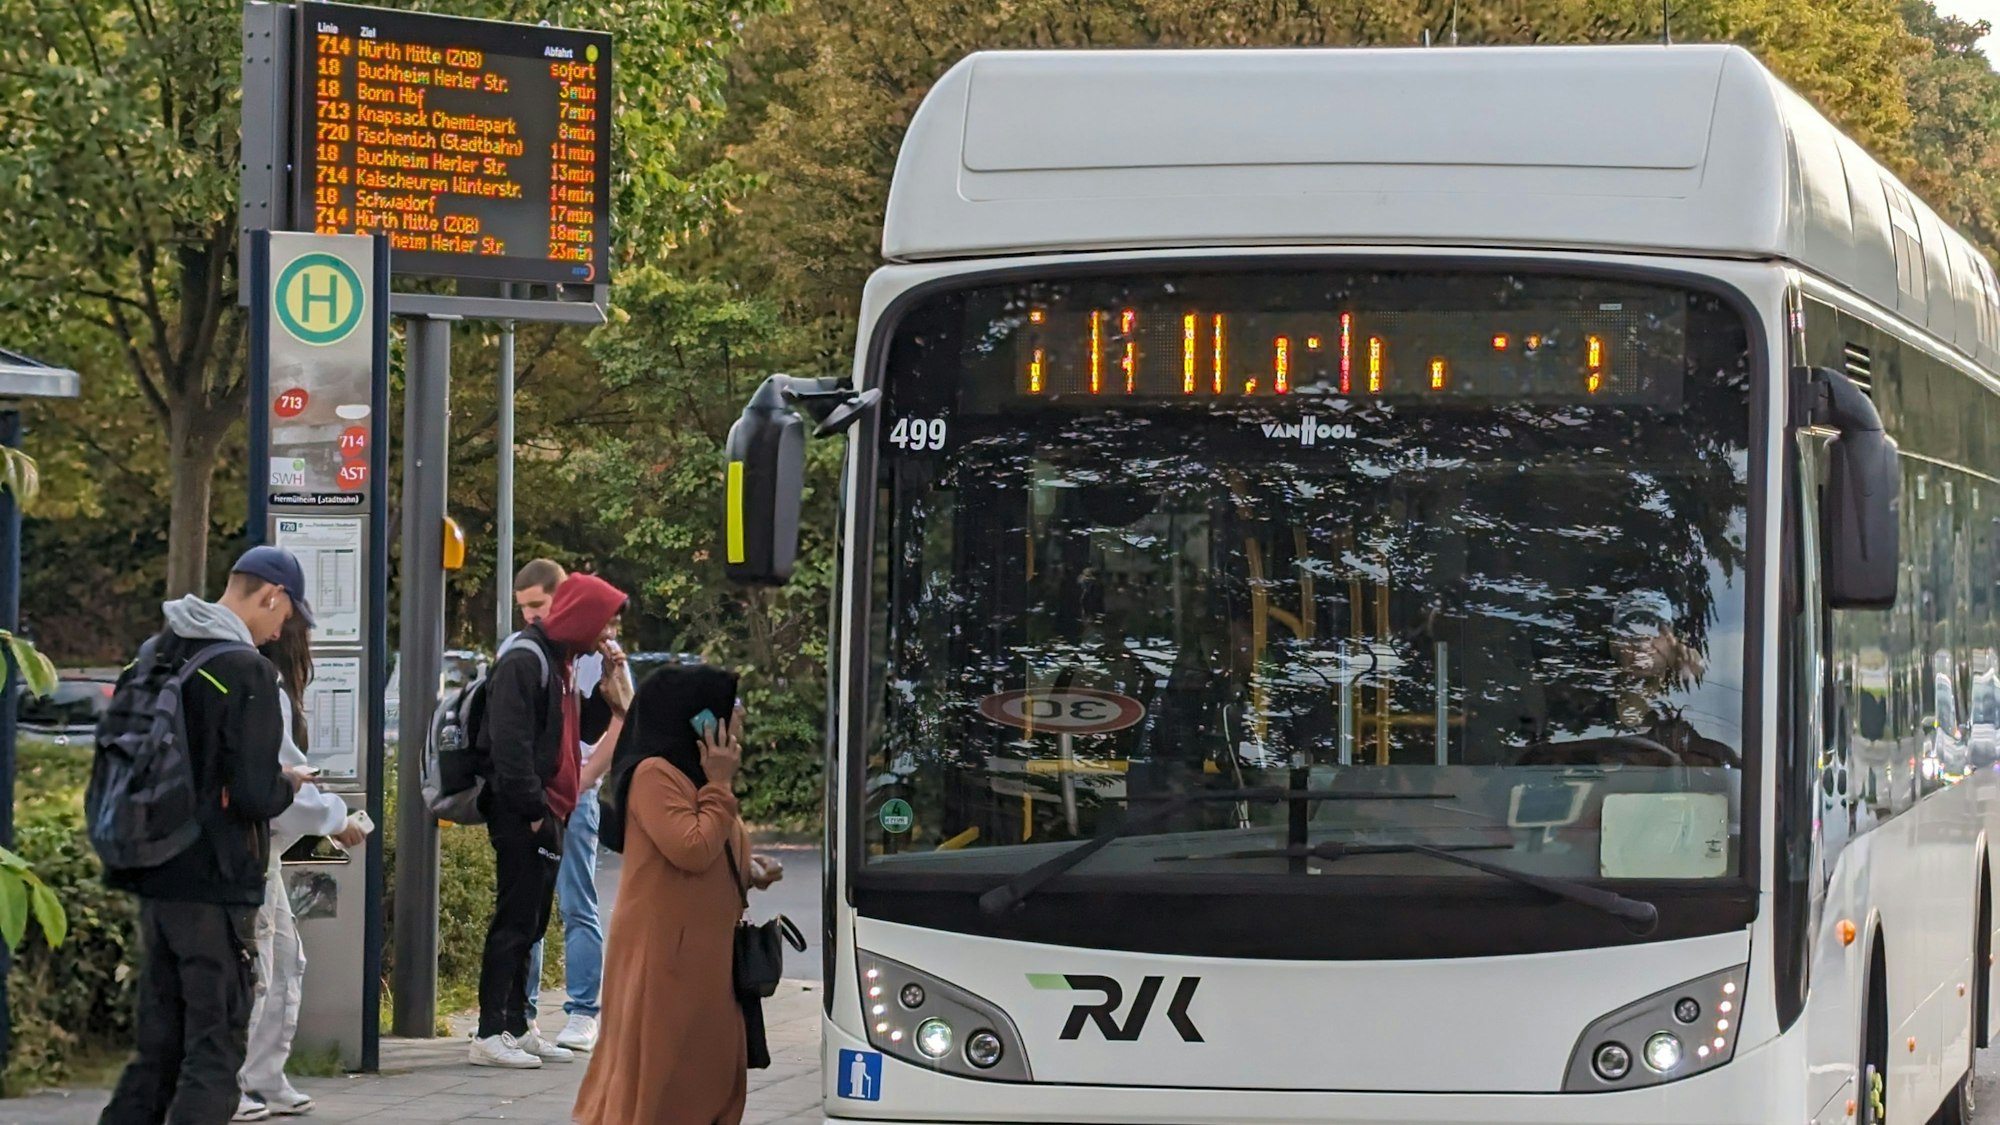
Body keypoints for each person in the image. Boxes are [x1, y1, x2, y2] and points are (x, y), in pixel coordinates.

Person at [99, 547, 313, 1125]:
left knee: (159, 1050)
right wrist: (289, 785)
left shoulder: (155, 653)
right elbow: (252, 793)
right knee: (214, 1048)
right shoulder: (246, 671)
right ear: (273, 595)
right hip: (215, 882)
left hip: (153, 872)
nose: (278, 633)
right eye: (284, 617)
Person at [574, 666, 783, 1125]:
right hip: (668, 955)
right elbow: (690, 847)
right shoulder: (656, 774)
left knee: (710, 1070)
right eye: (731, 711)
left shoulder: (695, 778)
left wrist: (749, 871)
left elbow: (707, 851)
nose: (740, 719)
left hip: (704, 956)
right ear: (699, 722)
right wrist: (721, 784)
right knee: (669, 1075)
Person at [470, 572, 630, 1069]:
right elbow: (511, 745)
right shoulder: (526, 658)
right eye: (604, 624)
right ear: (581, 618)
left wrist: (609, 698)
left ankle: (517, 1026)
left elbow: (571, 729)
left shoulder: (560, 660)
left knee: (532, 921)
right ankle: (489, 1032)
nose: (607, 635)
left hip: (550, 809)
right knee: (514, 921)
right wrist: (536, 813)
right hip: (526, 813)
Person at [235, 615, 369, 1121]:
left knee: (287, 962)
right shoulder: (268, 690)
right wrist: (334, 820)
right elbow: (285, 783)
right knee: (262, 967)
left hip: (264, 844)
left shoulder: (266, 689)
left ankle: (265, 1076)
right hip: (256, 846)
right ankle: (236, 1082)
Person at [513, 560, 630, 1053]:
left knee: (575, 902)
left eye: (539, 606)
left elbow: (622, 723)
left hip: (575, 793)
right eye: (524, 609)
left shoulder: (598, 656)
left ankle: (584, 1011)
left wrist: (582, 781)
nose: (531, 617)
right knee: (529, 907)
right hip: (543, 791)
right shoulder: (535, 650)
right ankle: (522, 1013)